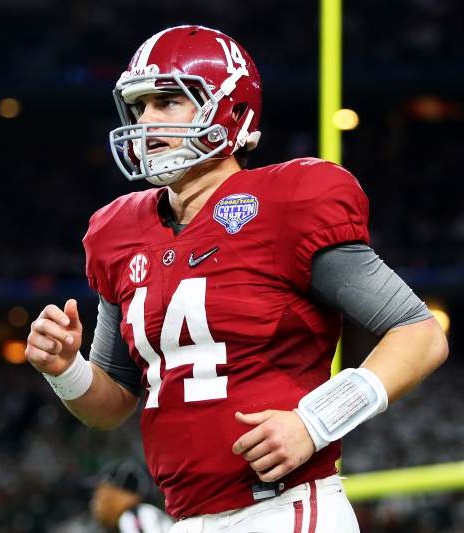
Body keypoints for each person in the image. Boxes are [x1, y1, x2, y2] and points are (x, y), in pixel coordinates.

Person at [25, 25, 448, 532]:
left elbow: (420, 333)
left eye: (167, 102)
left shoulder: (288, 203)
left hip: (284, 508)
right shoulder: (118, 232)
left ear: (229, 109)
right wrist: (65, 368)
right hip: (187, 517)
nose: (146, 120)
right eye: (139, 106)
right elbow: (112, 403)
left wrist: (316, 421)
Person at [89, 459, 173, 532]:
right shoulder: (139, 514)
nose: (94, 502)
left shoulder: (135, 516)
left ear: (121, 493)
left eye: (100, 494)